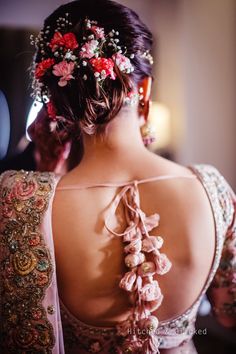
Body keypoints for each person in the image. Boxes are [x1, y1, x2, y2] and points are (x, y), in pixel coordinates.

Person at [0, 1, 235, 353]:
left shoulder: (21, 199)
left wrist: (49, 175)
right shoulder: (212, 188)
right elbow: (228, 311)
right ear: (144, 90)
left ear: (58, 101)